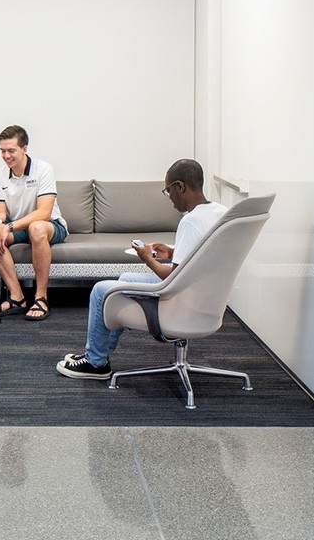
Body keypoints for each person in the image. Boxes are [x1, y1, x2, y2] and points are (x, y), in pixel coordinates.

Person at [56, 158, 224, 379]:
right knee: (124, 278)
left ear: (180, 186)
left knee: (101, 290)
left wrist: (148, 258)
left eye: (169, 191)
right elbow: (204, 254)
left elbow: (172, 277)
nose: (170, 199)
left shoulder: (190, 221)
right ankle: (99, 354)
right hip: (205, 294)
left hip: (182, 299)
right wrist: (173, 252)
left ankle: (95, 364)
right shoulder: (220, 212)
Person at [0, 125, 68, 321]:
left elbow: (44, 213)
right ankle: (17, 297)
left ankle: (41, 298)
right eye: (2, 151)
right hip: (20, 227)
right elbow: (1, 214)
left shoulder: (43, 169)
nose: (6, 156)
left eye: (11, 150)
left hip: (51, 226)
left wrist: (9, 227)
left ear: (24, 149)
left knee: (36, 227)